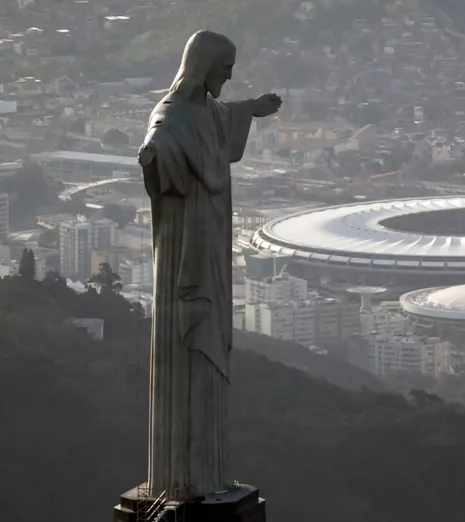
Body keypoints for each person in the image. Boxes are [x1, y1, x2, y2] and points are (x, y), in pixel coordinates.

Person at [138, 30, 281, 500]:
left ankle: (208, 477)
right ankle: (184, 482)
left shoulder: (206, 111)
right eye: (224, 69)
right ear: (203, 67)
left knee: (210, 350)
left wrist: (250, 109)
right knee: (187, 350)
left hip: (212, 243)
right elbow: (160, 138)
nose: (230, 76)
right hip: (185, 247)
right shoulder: (173, 116)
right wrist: (153, 154)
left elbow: (222, 118)